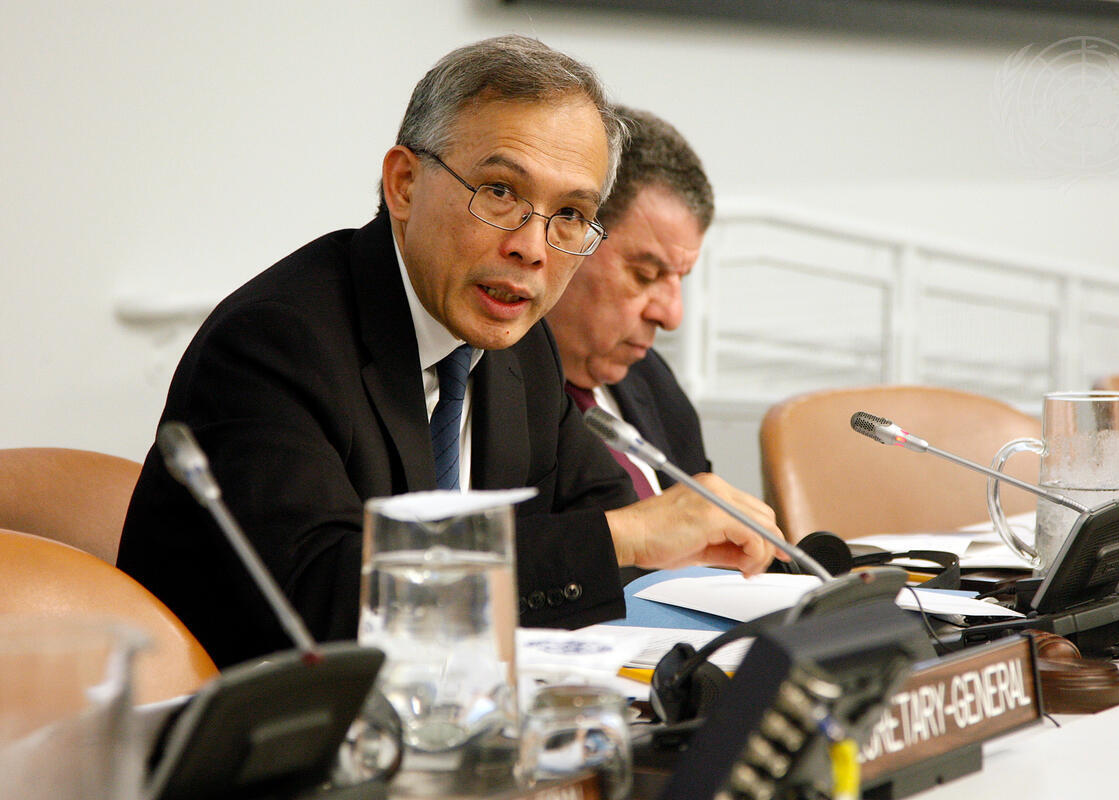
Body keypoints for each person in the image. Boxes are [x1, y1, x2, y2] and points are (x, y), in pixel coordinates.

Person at [118, 35, 785, 669]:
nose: (533, 247)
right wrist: (628, 536)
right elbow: (321, 597)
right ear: (404, 184)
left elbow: (599, 516)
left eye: (569, 216)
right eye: (501, 193)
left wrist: (697, 538)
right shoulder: (277, 341)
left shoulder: (518, 348)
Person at [546, 106, 713, 501]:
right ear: (570, 236)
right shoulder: (481, 391)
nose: (672, 316)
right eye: (645, 274)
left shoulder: (651, 379)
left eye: (680, 279)